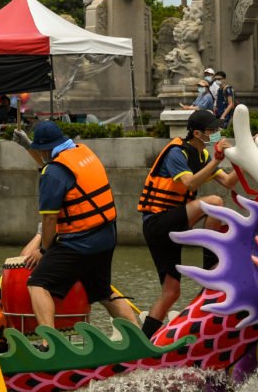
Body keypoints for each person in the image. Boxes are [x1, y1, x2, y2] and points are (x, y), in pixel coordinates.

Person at [24, 121, 136, 331]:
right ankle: (137, 334)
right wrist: (29, 148)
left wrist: (44, 251)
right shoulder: (83, 152)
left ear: (45, 149)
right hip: (107, 235)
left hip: (80, 242)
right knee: (102, 291)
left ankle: (50, 341)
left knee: (38, 283)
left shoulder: (53, 172)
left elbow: (49, 219)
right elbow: (56, 168)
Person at [137, 109, 237, 339]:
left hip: (174, 223)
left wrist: (246, 157)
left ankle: (144, 343)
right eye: (212, 130)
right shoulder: (177, 152)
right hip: (158, 222)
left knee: (171, 293)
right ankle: (210, 267)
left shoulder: (202, 156)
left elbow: (229, 182)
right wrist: (217, 159)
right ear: (197, 133)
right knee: (214, 202)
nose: (216, 133)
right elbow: (189, 184)